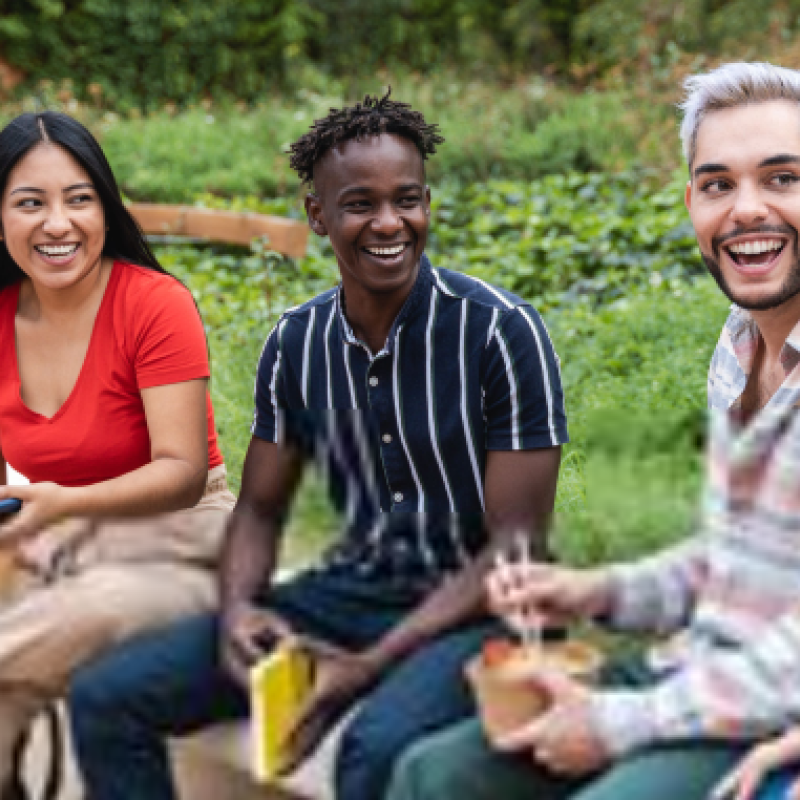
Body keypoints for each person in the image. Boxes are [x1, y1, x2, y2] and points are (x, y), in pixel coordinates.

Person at [64, 91, 569, 800]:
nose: (390, 222)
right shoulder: (296, 344)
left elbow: (514, 549)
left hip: (482, 610)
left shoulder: (501, 334)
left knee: (375, 752)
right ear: (317, 215)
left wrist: (365, 669)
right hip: (350, 592)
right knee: (107, 698)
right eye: (360, 203)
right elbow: (262, 510)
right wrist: (240, 608)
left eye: (409, 199)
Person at [384, 60, 800, 800]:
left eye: (782, 178)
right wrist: (593, 591)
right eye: (718, 184)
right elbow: (737, 566)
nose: (747, 210)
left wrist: (618, 723)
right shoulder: (738, 350)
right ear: (692, 204)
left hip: (768, 712)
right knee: (432, 774)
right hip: (693, 667)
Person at [0, 112, 235, 799]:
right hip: (52, 561)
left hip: (176, 562)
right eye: (29, 203)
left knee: (84, 613)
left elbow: (182, 469)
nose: (58, 223)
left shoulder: (154, 306)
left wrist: (60, 507)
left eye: (79, 199)